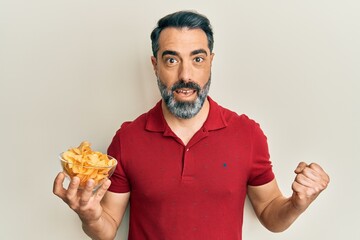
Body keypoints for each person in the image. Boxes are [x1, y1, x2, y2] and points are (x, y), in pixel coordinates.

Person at [53, 10, 330, 240]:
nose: (185, 75)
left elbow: (271, 213)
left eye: (197, 59)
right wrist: (90, 215)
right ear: (155, 65)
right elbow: (107, 226)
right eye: (171, 60)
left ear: (211, 61)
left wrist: (296, 204)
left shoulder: (247, 134)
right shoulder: (128, 138)